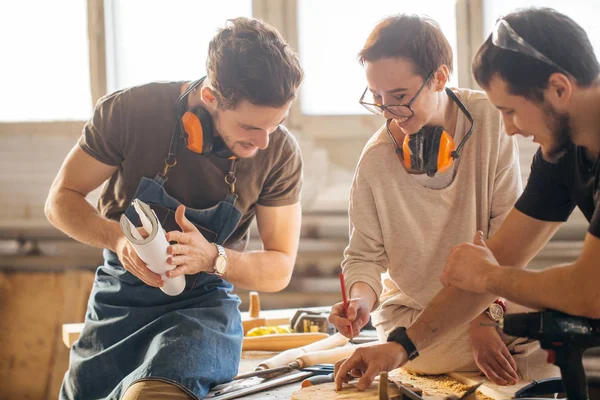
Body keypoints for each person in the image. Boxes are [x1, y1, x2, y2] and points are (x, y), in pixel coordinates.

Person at [334, 7, 600, 392]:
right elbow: (504, 255)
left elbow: (588, 291)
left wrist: (489, 279)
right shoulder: (561, 155)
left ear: (559, 89)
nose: (508, 127)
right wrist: (400, 347)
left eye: (510, 110)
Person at [45, 17, 304, 400]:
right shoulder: (130, 112)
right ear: (212, 97)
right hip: (121, 298)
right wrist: (119, 239)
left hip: (201, 310)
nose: (265, 142)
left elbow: (280, 267)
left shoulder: (279, 153)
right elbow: (60, 200)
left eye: (277, 124)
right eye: (251, 128)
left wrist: (214, 258)